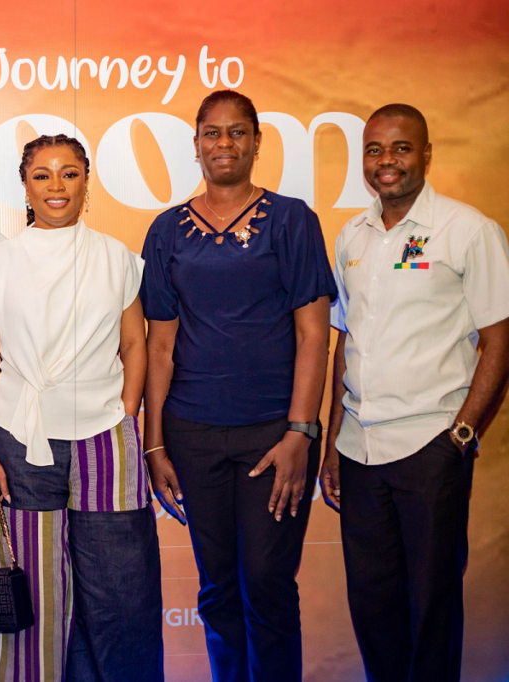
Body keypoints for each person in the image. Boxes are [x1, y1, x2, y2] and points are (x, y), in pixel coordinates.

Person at [140, 90, 337, 682]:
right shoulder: (167, 230)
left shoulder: (292, 218)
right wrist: (154, 445)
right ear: (196, 144)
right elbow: (160, 345)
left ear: (256, 141)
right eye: (211, 133)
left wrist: (301, 431)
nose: (224, 144)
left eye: (237, 133)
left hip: (274, 435)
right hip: (193, 435)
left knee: (268, 587)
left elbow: (313, 334)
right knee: (218, 588)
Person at [319, 104, 509, 682]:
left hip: (431, 446)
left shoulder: (467, 230)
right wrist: (331, 443)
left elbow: (499, 339)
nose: (386, 162)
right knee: (373, 605)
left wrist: (463, 433)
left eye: (400, 148)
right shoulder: (352, 233)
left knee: (431, 607)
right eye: (374, 150)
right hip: (359, 451)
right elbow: (343, 344)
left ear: (426, 153)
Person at [0, 133, 163, 681]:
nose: (57, 186)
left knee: (121, 584)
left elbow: (134, 345)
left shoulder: (116, 258)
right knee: (34, 585)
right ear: (25, 187)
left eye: (69, 173)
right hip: (20, 439)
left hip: (106, 435)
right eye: (43, 175)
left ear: (86, 182)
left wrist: (124, 414)